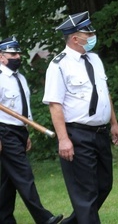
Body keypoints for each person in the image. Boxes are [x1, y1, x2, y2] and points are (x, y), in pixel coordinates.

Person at [42, 12, 118, 224]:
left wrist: (113, 122)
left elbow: (104, 93)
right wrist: (63, 139)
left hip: (101, 133)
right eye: (89, 32)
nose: (93, 35)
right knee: (85, 194)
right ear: (75, 38)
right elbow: (55, 105)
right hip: (77, 135)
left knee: (104, 185)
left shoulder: (94, 59)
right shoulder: (59, 65)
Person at [0, 36, 63, 224]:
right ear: (1, 57)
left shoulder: (20, 77)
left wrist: (26, 132)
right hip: (4, 131)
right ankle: (43, 218)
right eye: (12, 54)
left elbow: (23, 107)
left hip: (19, 131)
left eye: (18, 53)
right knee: (23, 174)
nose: (17, 57)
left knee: (7, 180)